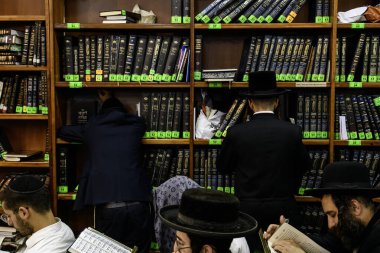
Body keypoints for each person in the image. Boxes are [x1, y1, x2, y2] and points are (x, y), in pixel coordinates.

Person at [58, 89, 152, 253]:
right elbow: (140, 121)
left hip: (110, 207)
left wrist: (105, 101)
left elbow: (63, 131)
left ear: (102, 113)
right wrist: (112, 100)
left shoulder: (93, 127)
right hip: (139, 204)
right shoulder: (136, 125)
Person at [217, 71, 310, 232]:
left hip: (246, 213)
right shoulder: (292, 131)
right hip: (283, 210)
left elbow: (222, 167)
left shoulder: (235, 133)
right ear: (276, 102)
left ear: (250, 103)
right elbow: (305, 165)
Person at [265, 161, 380, 253]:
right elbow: (328, 244)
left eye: (333, 215)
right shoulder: (353, 230)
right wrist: (287, 234)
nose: (330, 225)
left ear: (355, 207)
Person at [159, 188, 258, 253]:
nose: (173, 252)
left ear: (206, 251)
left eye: (180, 246)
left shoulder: (238, 244)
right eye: (176, 242)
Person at [0, 175, 75, 253]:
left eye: (9, 216)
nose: (9, 222)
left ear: (23, 212)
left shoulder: (43, 250)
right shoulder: (64, 229)